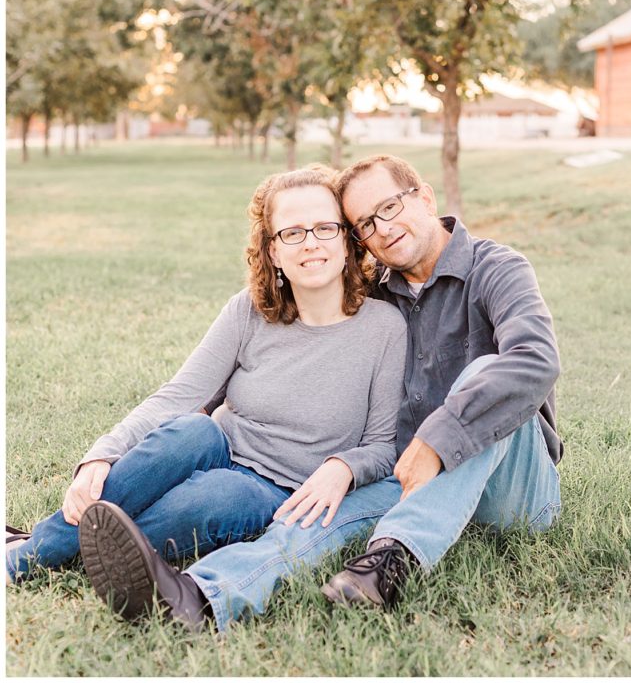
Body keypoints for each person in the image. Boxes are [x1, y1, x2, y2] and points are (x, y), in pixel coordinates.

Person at [5, 165, 407, 631]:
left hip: (274, 487)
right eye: (292, 232)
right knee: (192, 428)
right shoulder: (249, 312)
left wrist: (344, 467)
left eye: (324, 228)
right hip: (217, 445)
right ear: (273, 251)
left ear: (346, 240)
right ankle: (28, 556)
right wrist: (101, 455)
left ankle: (57, 549)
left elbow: (382, 445)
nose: (311, 243)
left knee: (218, 496)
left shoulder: (384, 329)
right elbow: (177, 397)